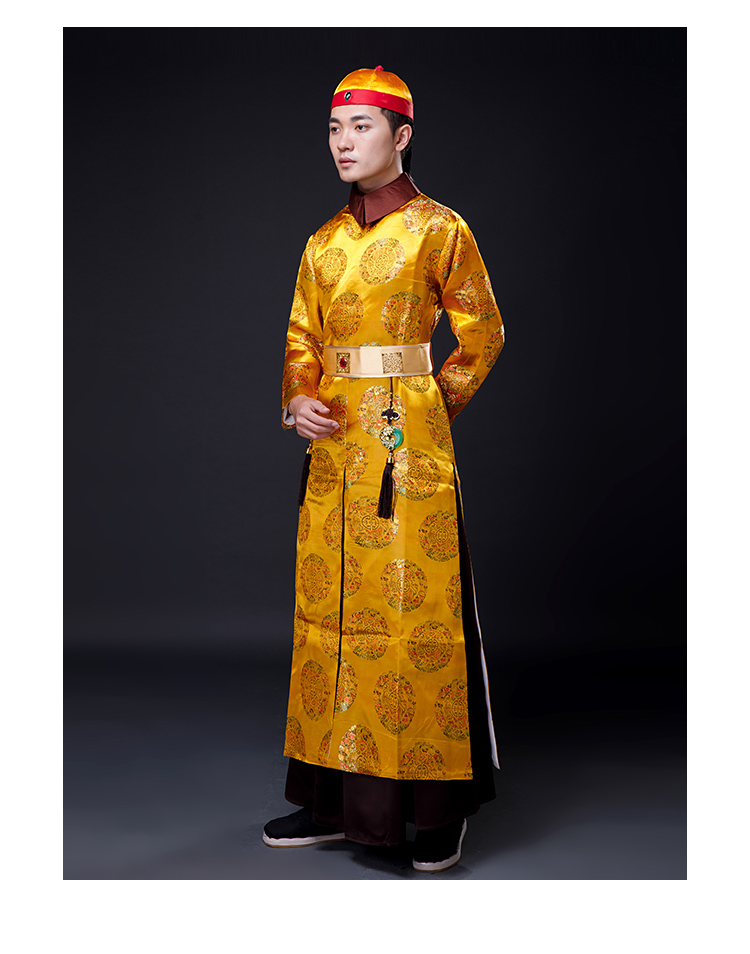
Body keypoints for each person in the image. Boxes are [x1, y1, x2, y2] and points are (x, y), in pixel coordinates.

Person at [263, 65, 505, 873]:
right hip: (333, 454)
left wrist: (429, 409)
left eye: (361, 127)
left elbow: (483, 334)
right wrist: (298, 400)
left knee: (412, 620)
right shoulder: (322, 242)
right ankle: (330, 800)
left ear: (401, 136)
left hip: (406, 452)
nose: (343, 142)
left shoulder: (440, 228)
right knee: (327, 619)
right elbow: (301, 338)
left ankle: (434, 811)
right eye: (335, 128)